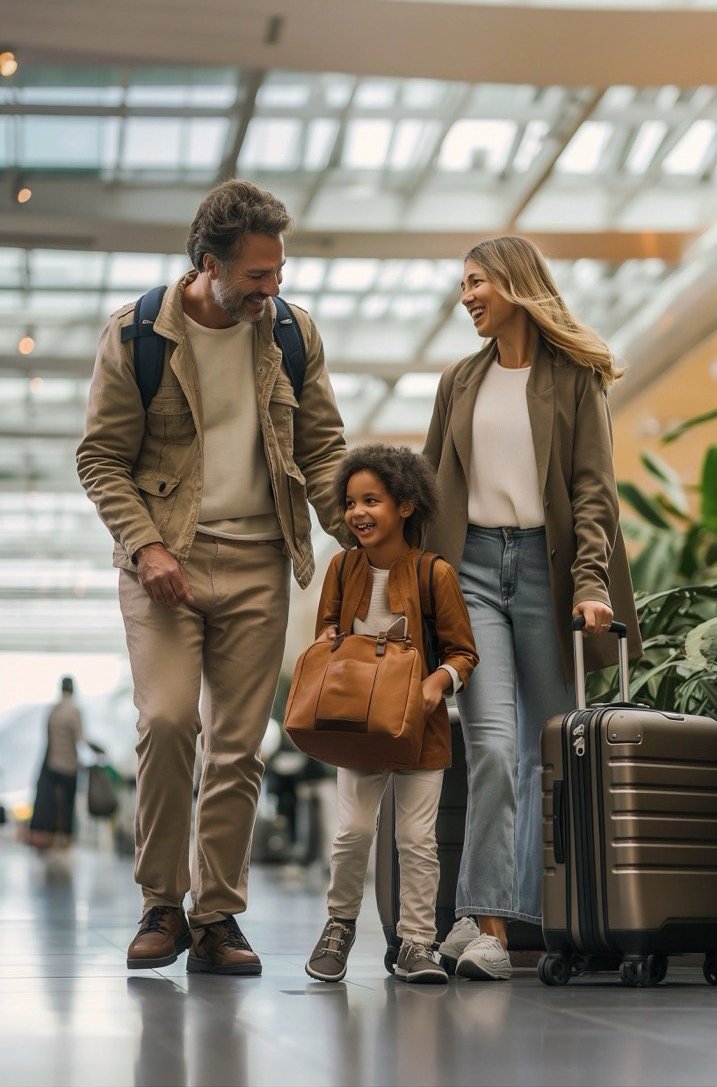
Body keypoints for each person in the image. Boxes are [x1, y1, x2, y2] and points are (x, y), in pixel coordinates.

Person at [77, 180, 351, 975]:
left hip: (263, 556)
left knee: (239, 745)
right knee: (167, 721)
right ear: (208, 264)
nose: (273, 288)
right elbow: (100, 459)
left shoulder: (292, 333)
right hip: (166, 560)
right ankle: (161, 903)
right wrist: (146, 547)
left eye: (278, 272)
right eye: (258, 276)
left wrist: (362, 535)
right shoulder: (137, 336)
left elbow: (323, 449)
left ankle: (217, 916)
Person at [423, 236, 642, 981]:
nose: (466, 297)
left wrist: (590, 582)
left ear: (515, 284)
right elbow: (431, 491)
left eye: (476, 281)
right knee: (486, 744)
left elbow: (593, 493)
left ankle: (503, 917)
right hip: (474, 570)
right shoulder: (459, 380)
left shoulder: (575, 379)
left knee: (542, 753)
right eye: (462, 285)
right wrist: (417, 584)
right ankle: (488, 923)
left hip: (548, 574)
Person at [304, 445, 478, 985]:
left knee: (416, 841)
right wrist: (331, 643)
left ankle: (416, 943)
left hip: (419, 730)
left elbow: (464, 653)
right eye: (352, 502)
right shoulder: (341, 568)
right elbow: (324, 636)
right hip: (354, 726)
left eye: (371, 500)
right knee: (353, 831)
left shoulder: (435, 574)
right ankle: (339, 925)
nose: (358, 513)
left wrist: (437, 682)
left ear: (405, 505)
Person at [28, 676, 104, 849]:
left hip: (52, 765)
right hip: (69, 767)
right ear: (73, 690)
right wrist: (97, 749)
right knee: (68, 804)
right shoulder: (75, 711)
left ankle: (50, 837)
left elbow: (47, 738)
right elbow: (81, 738)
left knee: (51, 804)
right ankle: (65, 838)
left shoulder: (52, 710)